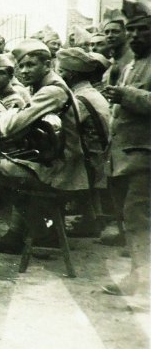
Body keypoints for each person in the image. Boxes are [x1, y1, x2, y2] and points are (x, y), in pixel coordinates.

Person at [0, 40, 89, 253]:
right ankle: (28, 233)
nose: (24, 71)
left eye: (31, 65)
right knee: (6, 173)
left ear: (48, 64)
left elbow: (13, 126)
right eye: (22, 66)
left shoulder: (52, 91)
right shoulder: (46, 86)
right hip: (57, 161)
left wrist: (7, 115)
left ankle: (34, 233)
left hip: (63, 168)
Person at [101, 1, 151, 296]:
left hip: (146, 155)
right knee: (132, 219)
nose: (134, 36)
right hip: (125, 156)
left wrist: (126, 94)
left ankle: (143, 283)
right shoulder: (132, 63)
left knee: (138, 218)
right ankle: (138, 274)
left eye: (142, 30)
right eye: (130, 31)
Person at [55, 48, 111, 238]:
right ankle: (90, 219)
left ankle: (47, 228)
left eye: (60, 71)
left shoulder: (78, 99)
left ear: (70, 74)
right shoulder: (92, 93)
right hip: (100, 156)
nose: (58, 76)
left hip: (90, 162)